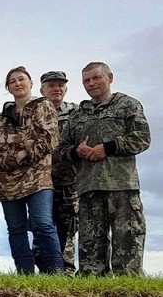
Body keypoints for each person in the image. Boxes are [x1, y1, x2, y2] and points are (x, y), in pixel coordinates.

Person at [58, 62, 151, 275]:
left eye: (96, 78)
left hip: (122, 187)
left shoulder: (128, 105)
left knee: (127, 251)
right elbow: (61, 151)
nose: (91, 83)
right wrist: (75, 152)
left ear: (109, 77)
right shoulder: (78, 115)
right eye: (86, 81)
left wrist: (108, 148)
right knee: (90, 257)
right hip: (88, 189)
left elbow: (142, 139)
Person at [0, 67, 63, 274]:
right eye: (12, 81)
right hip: (7, 183)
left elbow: (49, 139)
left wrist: (23, 154)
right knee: (16, 229)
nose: (17, 83)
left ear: (30, 83)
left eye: (21, 79)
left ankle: (56, 272)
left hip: (38, 178)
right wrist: (16, 156)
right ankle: (25, 273)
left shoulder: (43, 106)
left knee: (42, 224)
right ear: (8, 87)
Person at [39, 71, 79, 274]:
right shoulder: (34, 112)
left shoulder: (77, 112)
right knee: (42, 226)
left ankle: (67, 272)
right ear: (42, 90)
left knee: (68, 227)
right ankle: (45, 271)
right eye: (51, 85)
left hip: (70, 181)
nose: (56, 89)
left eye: (60, 85)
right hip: (40, 182)